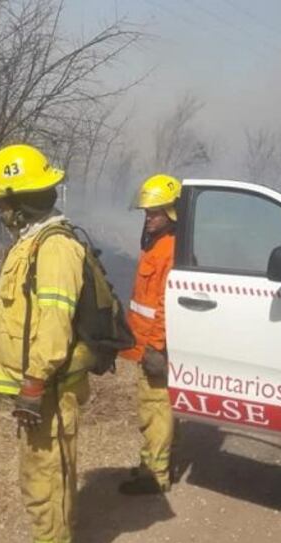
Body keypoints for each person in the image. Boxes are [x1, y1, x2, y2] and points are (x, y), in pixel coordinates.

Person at [0, 143, 94, 543]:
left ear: (19, 201)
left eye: (2, 201)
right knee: (41, 480)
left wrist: (33, 383)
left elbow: (53, 325)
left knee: (47, 482)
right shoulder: (35, 243)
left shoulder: (56, 248)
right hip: (38, 390)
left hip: (47, 391)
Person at [118, 174, 179, 495]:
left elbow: (165, 306)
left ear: (171, 213)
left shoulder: (169, 249)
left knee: (156, 409)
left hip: (154, 348)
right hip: (143, 346)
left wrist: (156, 347)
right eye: (146, 213)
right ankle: (150, 464)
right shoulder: (156, 245)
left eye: (154, 212)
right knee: (152, 408)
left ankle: (155, 474)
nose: (149, 218)